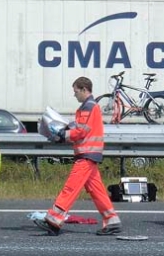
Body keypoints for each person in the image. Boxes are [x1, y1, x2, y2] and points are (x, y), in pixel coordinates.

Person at [40, 77, 122, 236]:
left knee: (70, 188)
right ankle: (112, 220)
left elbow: (81, 131)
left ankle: (54, 219)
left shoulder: (87, 107)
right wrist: (65, 132)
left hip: (86, 155)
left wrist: (63, 135)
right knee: (96, 190)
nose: (75, 95)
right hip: (91, 154)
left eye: (76, 91)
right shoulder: (91, 107)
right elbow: (80, 128)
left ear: (84, 90)